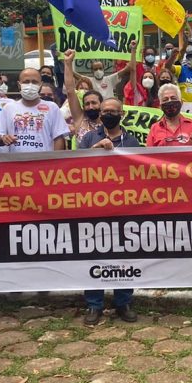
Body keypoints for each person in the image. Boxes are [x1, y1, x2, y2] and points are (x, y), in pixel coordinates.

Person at [78, 97, 141, 325]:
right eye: (105, 110)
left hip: (124, 209)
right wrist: (97, 149)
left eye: (113, 111)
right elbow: (75, 168)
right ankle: (94, 305)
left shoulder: (132, 142)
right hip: (93, 208)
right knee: (93, 255)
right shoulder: (88, 138)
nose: (107, 114)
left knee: (124, 256)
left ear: (121, 115)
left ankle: (123, 302)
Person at [0, 68, 70, 152]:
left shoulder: (52, 107)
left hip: (43, 162)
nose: (30, 85)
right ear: (19, 85)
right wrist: (3, 138)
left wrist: (55, 162)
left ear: (40, 85)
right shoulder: (8, 108)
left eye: (34, 82)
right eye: (26, 82)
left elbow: (58, 138)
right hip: (17, 163)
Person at [63, 49, 107, 145]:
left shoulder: (108, 122)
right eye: (87, 104)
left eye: (94, 103)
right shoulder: (80, 118)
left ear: (101, 104)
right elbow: (70, 91)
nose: (90, 107)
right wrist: (67, 63)